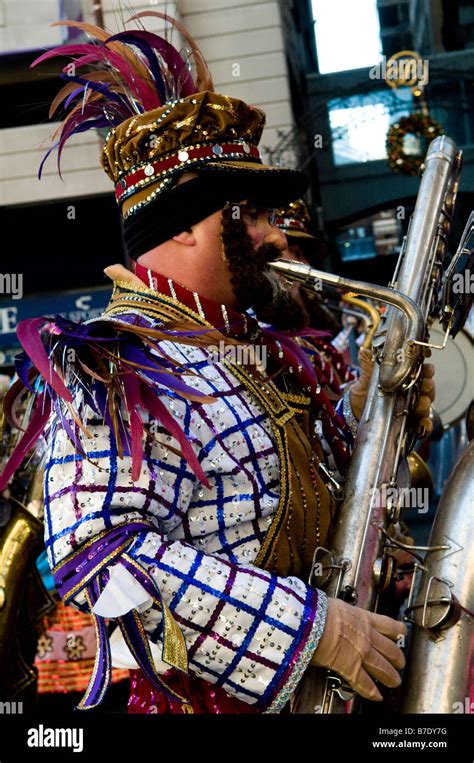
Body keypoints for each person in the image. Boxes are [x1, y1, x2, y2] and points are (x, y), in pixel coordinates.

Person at [0, 14, 412, 714]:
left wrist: (386, 407)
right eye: (252, 213)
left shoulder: (254, 349)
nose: (279, 233)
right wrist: (314, 629)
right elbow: (98, 553)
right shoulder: (115, 362)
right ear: (186, 225)